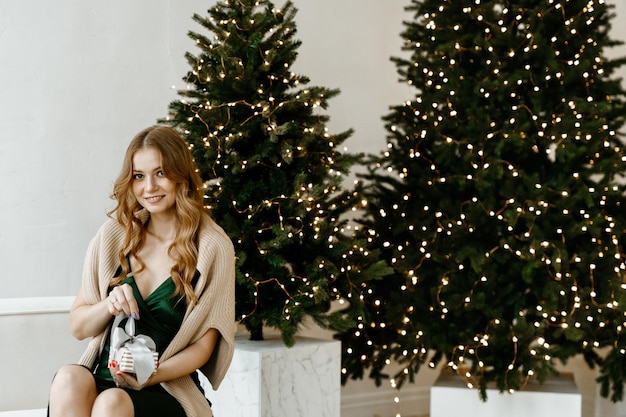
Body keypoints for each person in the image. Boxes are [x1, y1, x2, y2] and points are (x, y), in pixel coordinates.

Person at [48, 126, 236, 417]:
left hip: (168, 386)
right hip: (108, 377)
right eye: (139, 176)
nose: (149, 187)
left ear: (181, 176)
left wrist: (152, 373)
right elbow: (78, 327)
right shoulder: (114, 235)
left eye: (160, 173)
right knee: (69, 379)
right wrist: (108, 305)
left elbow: (203, 348)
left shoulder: (212, 247)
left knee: (111, 403)